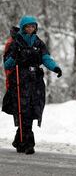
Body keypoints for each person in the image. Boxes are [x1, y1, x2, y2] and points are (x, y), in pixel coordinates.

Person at [2, 15, 62, 154]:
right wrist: (14, 56)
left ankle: (19, 140)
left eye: (33, 26)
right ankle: (29, 143)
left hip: (35, 81)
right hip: (19, 81)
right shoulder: (15, 42)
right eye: (28, 26)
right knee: (23, 110)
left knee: (32, 109)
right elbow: (7, 64)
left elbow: (45, 57)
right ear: (23, 27)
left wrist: (55, 68)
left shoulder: (38, 43)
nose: (30, 28)